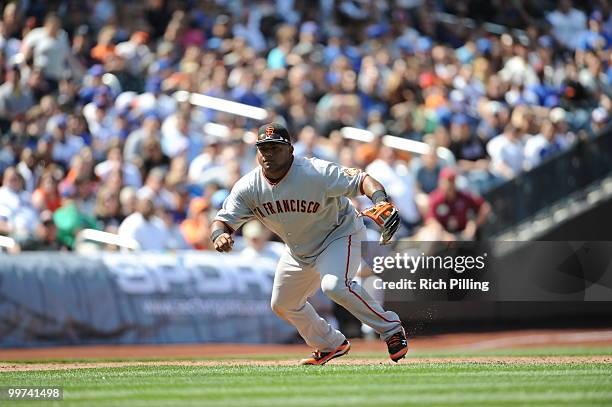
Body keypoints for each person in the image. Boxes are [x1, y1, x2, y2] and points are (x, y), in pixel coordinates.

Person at [211, 123, 408, 365]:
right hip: (298, 250)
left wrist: (380, 199)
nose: (268, 153)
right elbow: (222, 221)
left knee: (334, 286)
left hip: (338, 233)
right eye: (263, 148)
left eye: (275, 147)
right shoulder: (248, 187)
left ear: (291, 150)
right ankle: (329, 343)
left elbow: (362, 179)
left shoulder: (314, 171)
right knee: (283, 304)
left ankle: (391, 328)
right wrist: (218, 235)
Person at [425, 167, 491, 241]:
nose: (449, 185)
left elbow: (485, 207)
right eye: (446, 182)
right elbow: (430, 220)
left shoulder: (463, 196)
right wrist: (443, 235)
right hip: (445, 237)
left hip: (463, 233)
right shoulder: (435, 199)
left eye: (452, 181)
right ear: (440, 182)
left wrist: (474, 224)